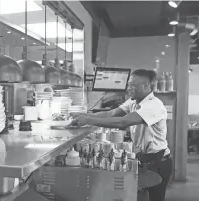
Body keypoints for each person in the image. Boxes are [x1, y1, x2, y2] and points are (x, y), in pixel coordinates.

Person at [70, 69, 172, 201]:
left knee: (155, 198)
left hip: (158, 162)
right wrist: (82, 115)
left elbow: (124, 121)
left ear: (146, 86)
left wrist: (89, 120)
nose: (129, 88)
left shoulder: (153, 105)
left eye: (133, 85)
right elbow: (111, 114)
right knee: (140, 197)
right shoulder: (134, 102)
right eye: (128, 84)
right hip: (144, 159)